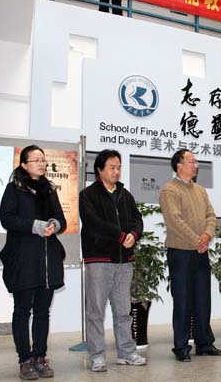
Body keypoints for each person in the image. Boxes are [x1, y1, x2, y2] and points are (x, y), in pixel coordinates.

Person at [0, 145, 67, 380]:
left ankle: (40, 356)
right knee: (22, 311)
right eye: (36, 160)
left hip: (47, 260)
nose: (41, 164)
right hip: (23, 259)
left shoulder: (49, 189)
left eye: (43, 160)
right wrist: (36, 226)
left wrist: (54, 225)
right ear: (24, 164)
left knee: (42, 312)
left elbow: (61, 218)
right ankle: (25, 359)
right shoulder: (14, 189)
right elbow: (7, 219)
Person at [79, 149, 147, 372]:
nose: (116, 171)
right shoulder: (88, 195)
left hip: (124, 261)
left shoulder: (125, 195)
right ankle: (97, 356)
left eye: (119, 167)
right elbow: (93, 223)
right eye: (112, 167)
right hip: (99, 260)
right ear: (99, 170)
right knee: (96, 312)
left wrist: (134, 235)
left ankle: (126, 353)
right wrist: (120, 236)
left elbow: (137, 219)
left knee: (123, 311)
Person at [159, 149, 221, 362]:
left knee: (202, 299)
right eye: (192, 161)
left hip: (200, 252)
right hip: (180, 253)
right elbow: (174, 221)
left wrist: (207, 235)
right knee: (183, 300)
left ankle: (204, 343)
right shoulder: (169, 190)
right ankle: (181, 347)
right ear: (179, 165)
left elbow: (211, 215)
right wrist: (198, 240)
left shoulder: (200, 190)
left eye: (196, 161)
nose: (196, 165)